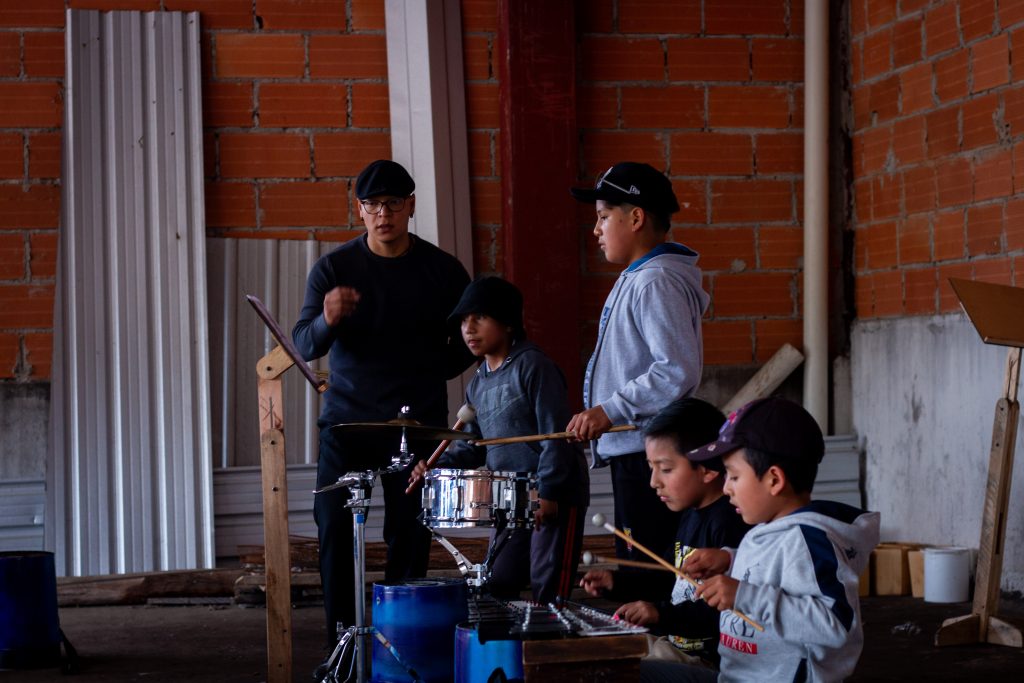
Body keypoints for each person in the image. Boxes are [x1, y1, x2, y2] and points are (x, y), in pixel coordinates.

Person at [291, 159, 474, 649]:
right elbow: (302, 343)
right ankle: (344, 645)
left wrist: (428, 370)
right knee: (333, 528)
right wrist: (328, 319)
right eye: (372, 205)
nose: (383, 214)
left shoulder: (442, 271)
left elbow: (469, 343)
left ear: (410, 206)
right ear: (360, 210)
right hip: (347, 425)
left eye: (393, 203)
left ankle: (399, 643)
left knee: (408, 535)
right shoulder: (334, 269)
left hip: (416, 429)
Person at [642, 397, 881, 683]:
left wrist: (744, 596)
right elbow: (772, 571)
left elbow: (838, 625)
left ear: (774, 480)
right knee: (629, 671)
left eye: (733, 476)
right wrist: (730, 559)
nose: (726, 488)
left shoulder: (808, 541)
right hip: (732, 677)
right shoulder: (764, 531)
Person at [409, 276, 590, 603]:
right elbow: (471, 446)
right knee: (499, 581)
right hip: (510, 498)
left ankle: (549, 650)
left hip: (554, 493)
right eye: (464, 320)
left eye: (479, 317)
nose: (469, 328)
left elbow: (557, 436)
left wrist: (548, 493)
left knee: (547, 587)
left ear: (507, 322)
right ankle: (510, 653)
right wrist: (435, 466)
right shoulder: (478, 383)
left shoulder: (533, 366)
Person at [567, 161, 710, 563]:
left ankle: (661, 625)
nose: (596, 230)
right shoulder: (639, 276)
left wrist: (610, 410)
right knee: (638, 562)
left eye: (603, 217)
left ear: (635, 217)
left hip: (647, 451)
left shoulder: (655, 281)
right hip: (633, 448)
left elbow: (675, 370)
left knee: (649, 566)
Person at [579, 398, 749, 668]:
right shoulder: (690, 515)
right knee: (590, 648)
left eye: (666, 469)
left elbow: (724, 613)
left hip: (709, 661)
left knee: (615, 667)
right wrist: (617, 583)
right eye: (651, 468)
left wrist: (659, 614)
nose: (653, 482)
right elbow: (667, 579)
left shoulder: (729, 524)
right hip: (675, 648)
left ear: (707, 470)